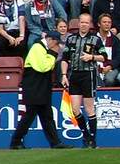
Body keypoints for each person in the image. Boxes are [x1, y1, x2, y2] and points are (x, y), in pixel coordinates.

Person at [10, 31, 71, 149]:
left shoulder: (43, 48)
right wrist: (53, 53)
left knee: (46, 116)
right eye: (56, 43)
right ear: (51, 40)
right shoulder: (37, 47)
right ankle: (16, 141)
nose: (57, 47)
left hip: (41, 87)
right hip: (34, 87)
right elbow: (44, 67)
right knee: (30, 115)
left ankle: (55, 142)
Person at [60, 13, 106, 148]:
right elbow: (65, 58)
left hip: (88, 74)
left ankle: (93, 139)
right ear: (78, 23)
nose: (84, 25)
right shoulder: (71, 39)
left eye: (87, 23)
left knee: (89, 108)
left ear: (90, 24)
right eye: (82, 22)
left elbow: (103, 57)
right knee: (75, 109)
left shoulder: (95, 39)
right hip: (74, 75)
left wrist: (91, 57)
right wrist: (64, 74)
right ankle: (85, 134)